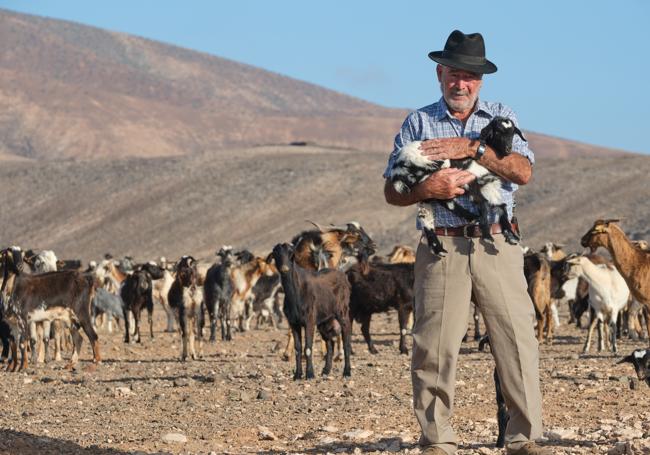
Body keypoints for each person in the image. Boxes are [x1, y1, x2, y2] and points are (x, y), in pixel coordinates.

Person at [383, 30, 551, 455]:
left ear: (481, 80)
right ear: (440, 74)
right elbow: (392, 190)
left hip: (497, 244)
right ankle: (438, 441)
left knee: (516, 341)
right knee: (433, 346)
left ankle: (524, 438)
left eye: (470, 76)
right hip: (442, 247)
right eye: (454, 74)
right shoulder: (418, 123)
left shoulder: (499, 118)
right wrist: (428, 188)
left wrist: (473, 148)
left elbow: (522, 172)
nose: (461, 83)